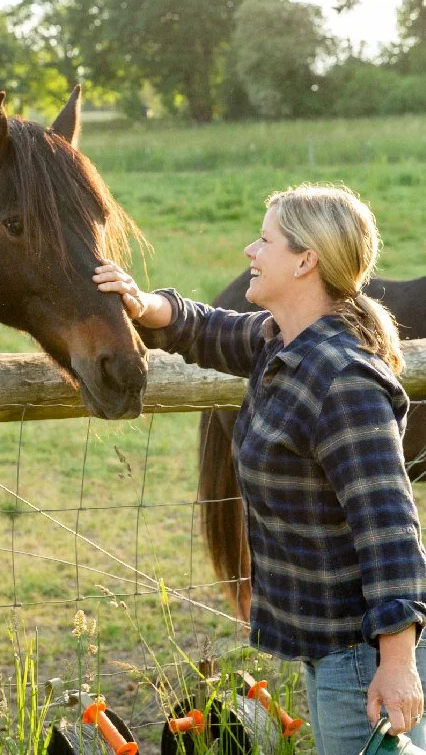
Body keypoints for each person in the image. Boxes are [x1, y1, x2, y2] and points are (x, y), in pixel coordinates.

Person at [93, 184, 426, 755]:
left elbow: (391, 531)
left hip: (361, 658)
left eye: (265, 239)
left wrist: (396, 666)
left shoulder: (342, 381)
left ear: (305, 261)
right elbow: (203, 329)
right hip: (332, 650)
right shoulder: (281, 343)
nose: (250, 250)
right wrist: (140, 303)